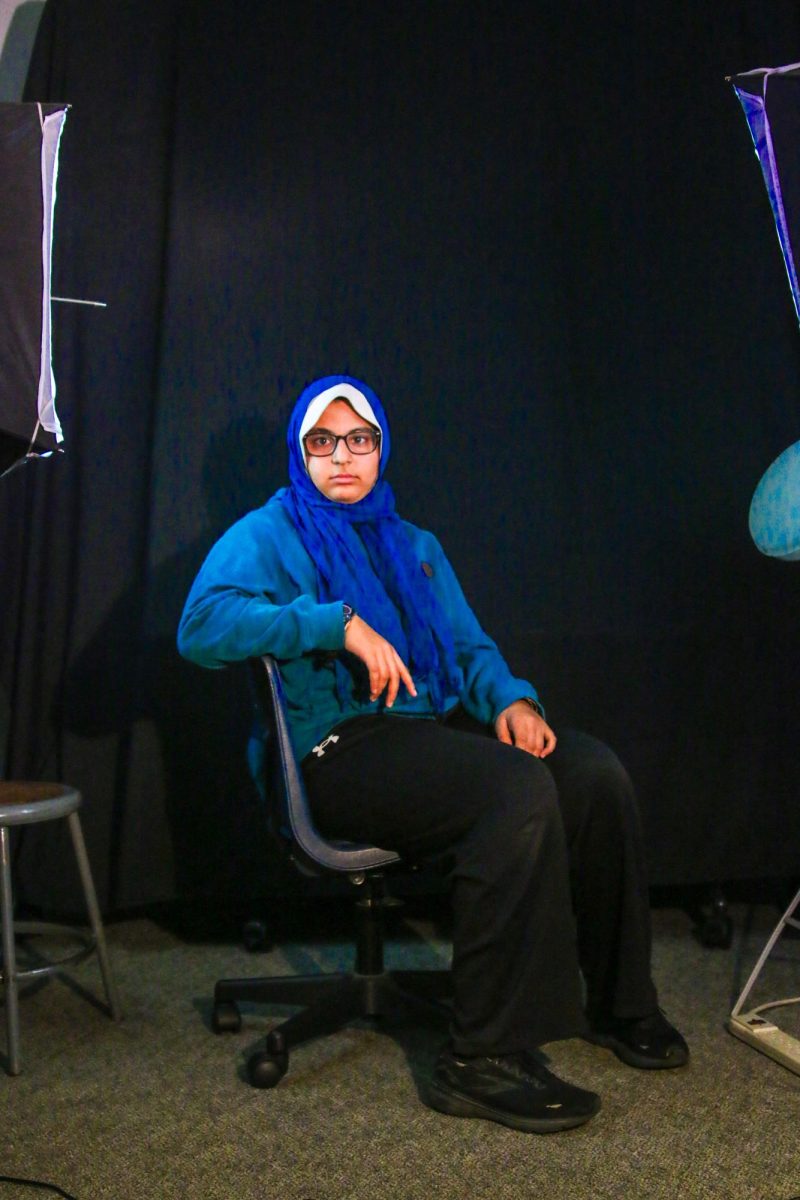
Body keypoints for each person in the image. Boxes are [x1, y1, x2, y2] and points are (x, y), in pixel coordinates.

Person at [178, 374, 688, 1134]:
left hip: (427, 732)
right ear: (301, 451)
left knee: (591, 775)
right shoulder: (268, 532)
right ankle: (480, 1058)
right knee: (513, 793)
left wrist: (512, 699)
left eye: (361, 440)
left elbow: (469, 650)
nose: (343, 457)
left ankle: (620, 1005)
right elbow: (202, 627)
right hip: (339, 749)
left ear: (381, 447)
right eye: (324, 442)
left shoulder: (414, 544)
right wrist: (334, 624)